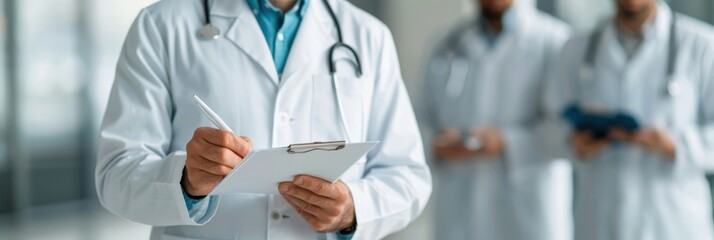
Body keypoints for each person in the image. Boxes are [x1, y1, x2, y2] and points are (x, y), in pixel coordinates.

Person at [95, 0, 432, 239]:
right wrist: (186, 182)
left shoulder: (368, 35)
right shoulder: (160, 25)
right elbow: (116, 175)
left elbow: (409, 178)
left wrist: (352, 209)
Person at [547, 0, 714, 239]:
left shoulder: (703, 45)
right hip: (599, 221)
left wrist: (678, 146)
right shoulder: (575, 49)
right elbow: (549, 125)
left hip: (673, 225)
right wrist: (571, 142)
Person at [420, 0, 572, 239]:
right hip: (459, 213)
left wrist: (506, 142)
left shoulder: (556, 41)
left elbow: (567, 133)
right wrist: (435, 144)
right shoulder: (445, 44)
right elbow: (417, 125)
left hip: (528, 214)